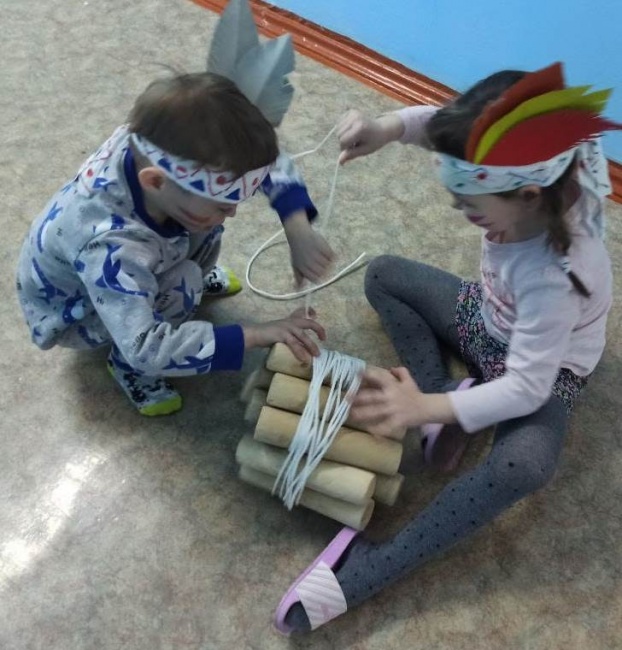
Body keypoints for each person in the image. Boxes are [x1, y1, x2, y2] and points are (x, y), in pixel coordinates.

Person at [273, 62, 620, 633]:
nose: (464, 214)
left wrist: (421, 407)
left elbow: (527, 388)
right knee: (383, 275)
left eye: (473, 207)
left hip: (546, 372)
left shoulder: (556, 275)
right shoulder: (528, 176)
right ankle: (450, 399)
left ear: (530, 195)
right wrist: (386, 128)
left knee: (524, 465)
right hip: (486, 320)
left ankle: (370, 567)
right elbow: (442, 125)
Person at [16, 71, 333, 416]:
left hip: (128, 259)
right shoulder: (110, 246)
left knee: (204, 225)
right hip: (79, 312)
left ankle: (174, 279)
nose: (233, 212)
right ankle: (128, 370)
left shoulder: (162, 148)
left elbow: (261, 160)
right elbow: (145, 346)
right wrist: (256, 334)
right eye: (222, 203)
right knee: (186, 280)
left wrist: (297, 229)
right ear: (154, 182)